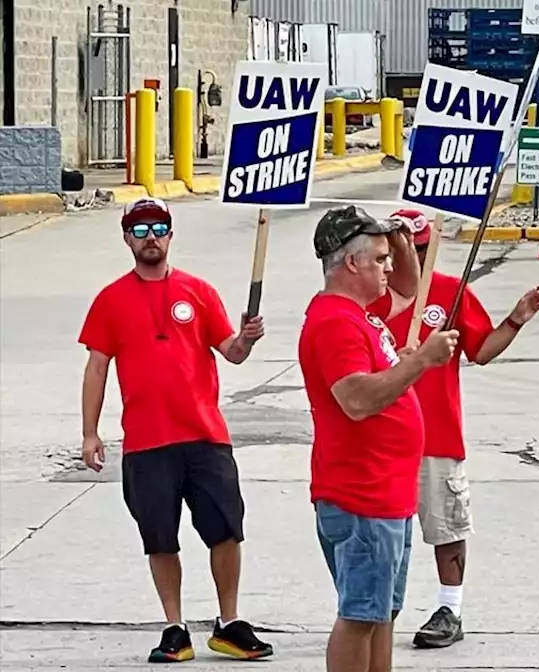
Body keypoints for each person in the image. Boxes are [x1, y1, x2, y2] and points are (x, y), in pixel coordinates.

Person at [77, 196, 274, 663]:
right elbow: (97, 367)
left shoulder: (198, 291)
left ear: (171, 234)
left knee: (226, 530)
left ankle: (229, 623)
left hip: (205, 436)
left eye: (158, 227)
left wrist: (244, 339)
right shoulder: (110, 299)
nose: (150, 237)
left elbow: (230, 349)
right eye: (140, 229)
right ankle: (175, 627)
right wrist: (90, 432)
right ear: (127, 239)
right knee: (159, 537)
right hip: (147, 442)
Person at [367, 208, 539, 649]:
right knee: (376, 532)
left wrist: (516, 318)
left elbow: (481, 349)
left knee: (445, 527)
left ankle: (450, 608)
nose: (409, 258)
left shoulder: (450, 294)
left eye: (420, 248)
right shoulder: (365, 298)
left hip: (435, 435)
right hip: (377, 436)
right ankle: (374, 610)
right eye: (397, 249)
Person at [297, 205, 459, 672]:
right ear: (352, 263)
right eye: (381, 258)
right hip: (360, 494)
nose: (390, 267)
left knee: (381, 613)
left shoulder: (360, 316)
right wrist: (418, 363)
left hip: (385, 494)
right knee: (360, 615)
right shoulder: (336, 321)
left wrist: (402, 364)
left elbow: (411, 284)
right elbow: (355, 399)